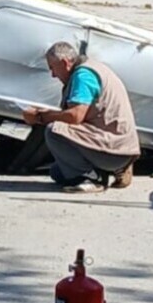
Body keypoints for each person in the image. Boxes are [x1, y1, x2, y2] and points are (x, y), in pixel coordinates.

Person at [22, 42, 140, 194]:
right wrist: (46, 113)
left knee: (54, 131)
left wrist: (40, 117)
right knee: (57, 172)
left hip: (113, 149)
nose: (53, 75)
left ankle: (93, 179)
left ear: (65, 63)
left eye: (52, 68)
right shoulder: (92, 68)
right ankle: (110, 169)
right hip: (116, 145)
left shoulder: (83, 76)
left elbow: (75, 116)